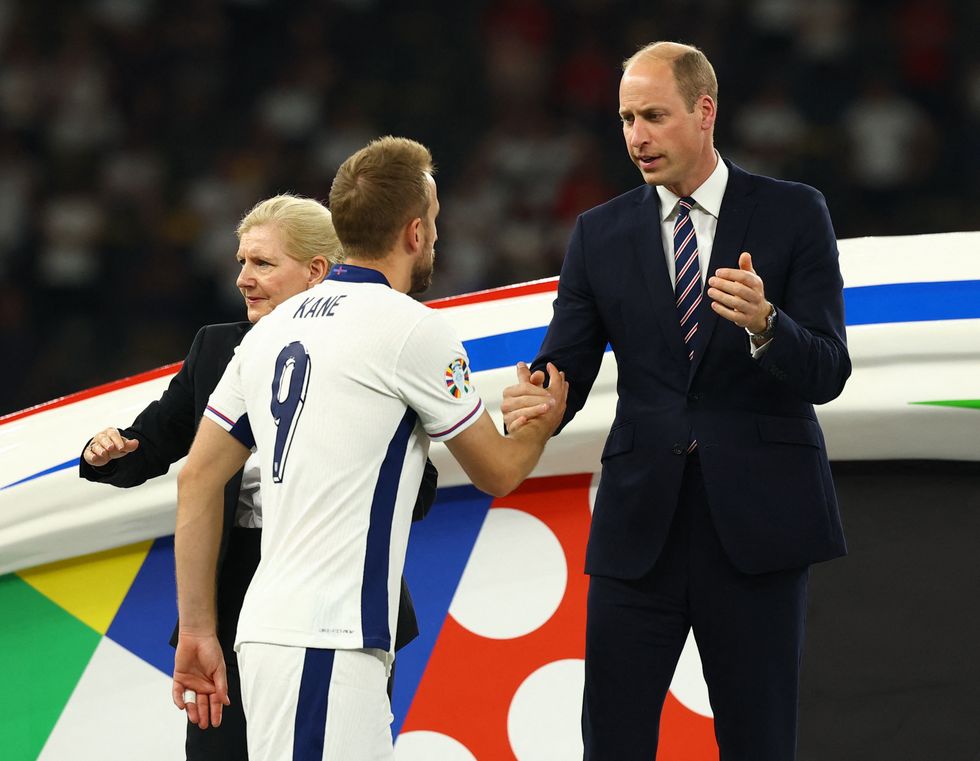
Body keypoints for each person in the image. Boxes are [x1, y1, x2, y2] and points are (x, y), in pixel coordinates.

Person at [502, 42, 850, 760]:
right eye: (627, 118)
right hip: (641, 532)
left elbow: (828, 369)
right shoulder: (599, 233)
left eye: (654, 116)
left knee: (759, 743)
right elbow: (563, 360)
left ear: (705, 112)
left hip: (758, 528)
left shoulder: (793, 213)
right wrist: (540, 396)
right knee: (614, 741)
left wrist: (767, 324)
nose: (636, 137)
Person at [171, 136, 568, 761]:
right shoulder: (410, 328)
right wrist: (541, 421)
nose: (436, 238)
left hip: (268, 629)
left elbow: (197, 478)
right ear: (414, 231)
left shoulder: (273, 329)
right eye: (433, 223)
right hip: (329, 635)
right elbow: (497, 471)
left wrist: (196, 628)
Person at [79, 194, 437, 760]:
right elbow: (155, 441)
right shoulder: (217, 348)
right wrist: (109, 451)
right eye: (241, 263)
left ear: (317, 271)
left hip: (341, 587)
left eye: (263, 264)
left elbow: (415, 492)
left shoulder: (373, 347)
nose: (244, 279)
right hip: (234, 590)